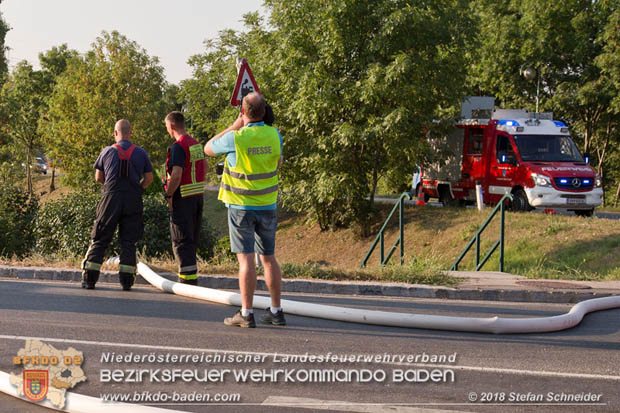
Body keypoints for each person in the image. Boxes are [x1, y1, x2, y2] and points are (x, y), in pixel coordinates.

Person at [205, 92, 284, 328]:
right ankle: (277, 311)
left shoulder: (237, 138)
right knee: (268, 259)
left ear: (243, 112)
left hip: (241, 207)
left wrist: (234, 125)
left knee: (246, 260)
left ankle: (247, 313)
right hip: (267, 205)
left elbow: (208, 148)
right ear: (264, 111)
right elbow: (277, 162)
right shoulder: (275, 135)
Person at [81, 119, 153, 290]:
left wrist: (111, 189)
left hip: (111, 199)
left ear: (115, 133)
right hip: (133, 199)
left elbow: (98, 177)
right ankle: (126, 282)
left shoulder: (107, 151)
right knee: (129, 241)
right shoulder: (141, 153)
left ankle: (90, 280)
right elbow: (149, 179)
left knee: (100, 238)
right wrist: (137, 189)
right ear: (131, 132)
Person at [163, 111, 207, 285]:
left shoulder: (178, 147)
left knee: (181, 240)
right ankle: (191, 278)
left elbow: (176, 175)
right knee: (191, 240)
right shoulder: (195, 144)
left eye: (167, 127)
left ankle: (186, 282)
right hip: (197, 198)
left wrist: (168, 194)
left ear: (172, 126)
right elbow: (206, 168)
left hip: (183, 199)